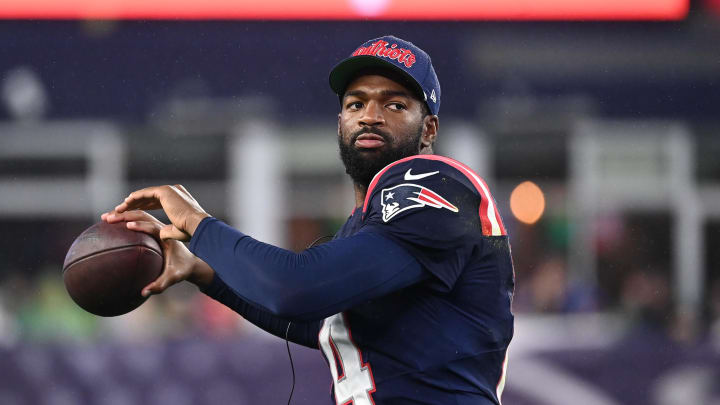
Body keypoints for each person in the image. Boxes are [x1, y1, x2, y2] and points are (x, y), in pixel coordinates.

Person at [102, 35, 515, 405]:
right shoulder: (367, 225)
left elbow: (294, 289)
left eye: (394, 104)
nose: (370, 115)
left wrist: (197, 223)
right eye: (356, 103)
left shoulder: (438, 185)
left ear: (429, 129)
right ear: (339, 124)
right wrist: (202, 271)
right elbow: (322, 323)